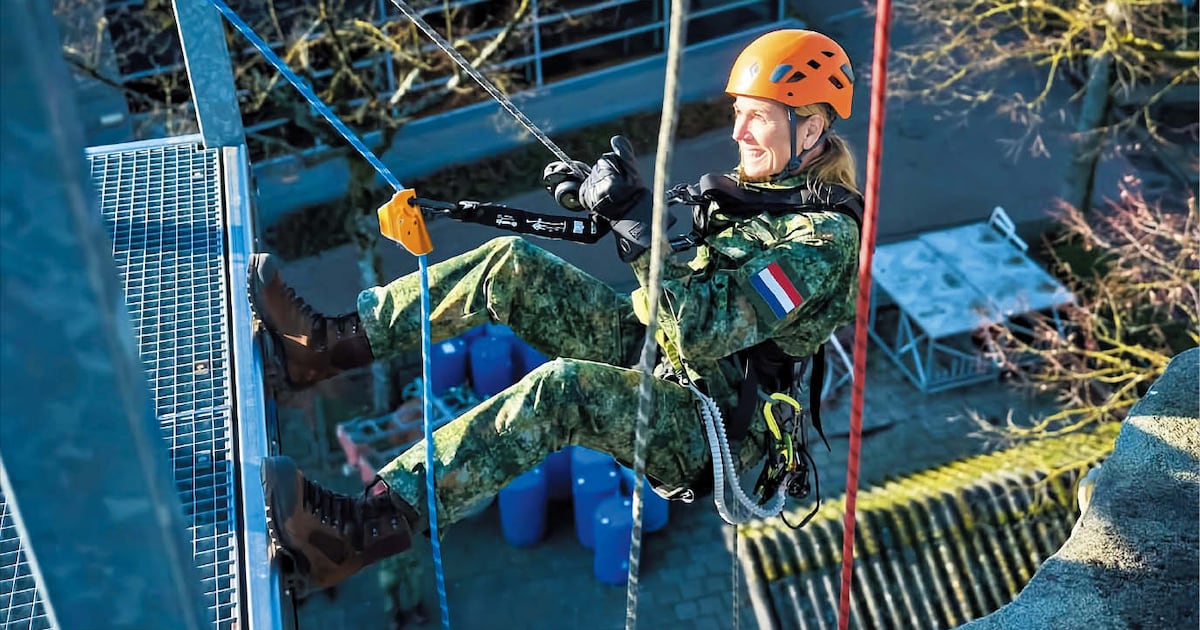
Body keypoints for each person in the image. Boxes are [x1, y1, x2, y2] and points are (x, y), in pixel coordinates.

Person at [255, 28, 863, 596]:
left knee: (562, 392)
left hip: (717, 423)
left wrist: (631, 226)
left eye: (758, 116)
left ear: (809, 130)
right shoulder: (763, 192)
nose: (739, 132)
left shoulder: (822, 242)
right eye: (738, 113)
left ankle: (358, 533)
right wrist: (604, 204)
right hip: (669, 354)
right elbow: (682, 280)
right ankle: (318, 347)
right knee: (508, 265)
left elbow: (704, 328)